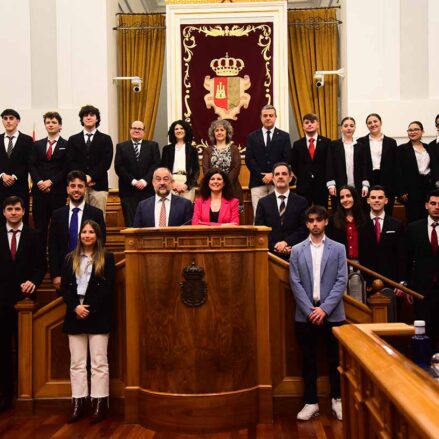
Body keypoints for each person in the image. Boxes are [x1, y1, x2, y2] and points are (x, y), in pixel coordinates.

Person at [289, 205, 347, 421]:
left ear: (325, 222)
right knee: (308, 360)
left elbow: (341, 281)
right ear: (306, 224)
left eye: (318, 220)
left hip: (332, 313)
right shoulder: (296, 249)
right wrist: (310, 310)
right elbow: (294, 281)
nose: (315, 224)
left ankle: (337, 400)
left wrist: (324, 309)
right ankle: (311, 402)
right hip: (305, 313)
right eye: (311, 220)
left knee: (335, 360)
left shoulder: (338, 248)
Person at [60, 220, 115, 424]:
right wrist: (76, 306)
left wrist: (88, 307)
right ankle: (78, 403)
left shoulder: (107, 257)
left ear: (97, 235)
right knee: (77, 363)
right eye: (84, 232)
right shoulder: (69, 259)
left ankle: (100, 403)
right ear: (79, 235)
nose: (87, 235)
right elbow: (65, 287)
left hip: (98, 313)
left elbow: (107, 288)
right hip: (75, 313)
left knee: (99, 362)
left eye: (91, 232)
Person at [0, 196, 46, 412]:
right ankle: (6, 394)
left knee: (25, 348)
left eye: (17, 209)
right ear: (4, 212)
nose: (14, 213)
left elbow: (41, 266)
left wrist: (34, 282)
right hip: (1, 301)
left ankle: (25, 391)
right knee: (3, 350)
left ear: (23, 211)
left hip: (25, 300)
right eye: (10, 209)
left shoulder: (34, 235)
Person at [49, 171, 106, 292]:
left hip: (89, 272)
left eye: (80, 186)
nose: (76, 189)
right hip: (64, 273)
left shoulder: (96, 214)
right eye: (73, 186)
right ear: (67, 189)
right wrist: (55, 274)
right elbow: (53, 246)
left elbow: (101, 242)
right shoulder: (57, 215)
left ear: (85, 189)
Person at [359, 186, 407, 298]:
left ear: (386, 200)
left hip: (391, 282)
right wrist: (365, 280)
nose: (376, 200)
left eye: (380, 197)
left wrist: (402, 281)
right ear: (368, 200)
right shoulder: (360, 224)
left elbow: (402, 255)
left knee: (392, 314)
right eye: (373, 197)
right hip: (367, 283)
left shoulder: (397, 224)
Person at [406, 190, 439, 350]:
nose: (437, 207)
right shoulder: (414, 228)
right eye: (433, 203)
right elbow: (406, 259)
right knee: (425, 333)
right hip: (421, 291)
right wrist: (408, 287)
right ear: (426, 205)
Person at [29, 111, 69, 245]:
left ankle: (57, 265)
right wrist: (40, 182)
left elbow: (66, 168)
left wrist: (51, 182)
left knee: (58, 232)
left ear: (60, 126)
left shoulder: (67, 144)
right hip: (39, 193)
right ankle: (40, 266)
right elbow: (32, 165)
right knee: (39, 231)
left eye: (54, 122)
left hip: (57, 193)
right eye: (48, 122)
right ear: (45, 125)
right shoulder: (37, 145)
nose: (50, 125)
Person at [254, 162, 308, 259]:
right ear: (273, 179)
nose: (280, 177)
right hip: (270, 255)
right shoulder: (263, 203)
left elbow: (303, 229)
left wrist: (286, 243)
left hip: (295, 253)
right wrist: (275, 246)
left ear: (290, 178)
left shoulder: (301, 202)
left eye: (284, 174)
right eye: (277, 174)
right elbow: (260, 230)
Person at [66, 105, 113, 215]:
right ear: (82, 119)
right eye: (85, 115)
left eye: (92, 115)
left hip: (99, 186)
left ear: (97, 119)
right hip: (78, 186)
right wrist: (82, 178)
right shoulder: (73, 139)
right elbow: (70, 161)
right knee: (79, 218)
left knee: (99, 219)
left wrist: (90, 177)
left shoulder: (105, 139)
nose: (88, 117)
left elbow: (106, 162)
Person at [245, 105, 291, 214]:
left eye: (271, 115)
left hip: (278, 182)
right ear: (261, 118)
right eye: (265, 116)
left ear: (275, 117)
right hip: (257, 182)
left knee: (278, 215)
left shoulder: (284, 136)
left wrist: (272, 174)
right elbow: (249, 159)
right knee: (259, 215)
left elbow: (287, 159)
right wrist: (262, 176)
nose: (268, 118)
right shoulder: (252, 136)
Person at [114, 120, 160, 226]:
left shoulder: (153, 146)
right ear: (130, 130)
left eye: (139, 129)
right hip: (128, 191)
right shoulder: (121, 147)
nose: (136, 131)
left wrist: (145, 180)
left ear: (144, 132)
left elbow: (156, 165)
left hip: (147, 190)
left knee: (148, 221)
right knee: (130, 223)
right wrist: (133, 181)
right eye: (134, 128)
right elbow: (119, 167)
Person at [397, 121, 439, 223]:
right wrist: (401, 191)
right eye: (410, 130)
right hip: (411, 189)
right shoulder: (402, 149)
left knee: (428, 218)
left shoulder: (428, 147)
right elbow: (398, 171)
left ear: (422, 131)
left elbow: (434, 167)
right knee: (413, 218)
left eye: (416, 129)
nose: (413, 132)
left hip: (428, 187)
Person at [357, 113, 398, 214]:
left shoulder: (391, 142)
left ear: (380, 123)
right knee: (366, 211)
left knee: (387, 210)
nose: (373, 124)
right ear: (367, 125)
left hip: (386, 180)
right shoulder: (360, 142)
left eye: (375, 121)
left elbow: (395, 165)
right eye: (369, 123)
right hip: (368, 180)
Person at [326, 117, 369, 207]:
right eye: (346, 126)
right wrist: (331, 184)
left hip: (357, 186)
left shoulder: (361, 146)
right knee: (339, 213)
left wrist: (365, 185)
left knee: (358, 212)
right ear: (341, 128)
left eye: (351, 126)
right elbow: (330, 165)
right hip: (338, 186)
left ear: (355, 128)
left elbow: (364, 166)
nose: (349, 128)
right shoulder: (333, 145)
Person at [0, 109, 33, 224]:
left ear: (18, 121)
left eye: (11, 118)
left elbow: (29, 163)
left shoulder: (27, 140)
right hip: (1, 187)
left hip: (20, 187)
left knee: (21, 222)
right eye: (5, 119)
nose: (8, 121)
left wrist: (14, 176)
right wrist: (2, 175)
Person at [291, 113, 332, 208]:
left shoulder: (327, 142)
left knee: (322, 212)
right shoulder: (297, 144)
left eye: (312, 122)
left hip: (321, 186)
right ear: (303, 126)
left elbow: (329, 164)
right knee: (303, 214)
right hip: (303, 186)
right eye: (306, 122)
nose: (309, 124)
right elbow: (294, 165)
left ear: (317, 125)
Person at [202, 119, 242, 205]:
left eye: (222, 130)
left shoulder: (234, 149)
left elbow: (236, 167)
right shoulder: (207, 150)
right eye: (217, 130)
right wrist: (215, 182)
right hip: (212, 189)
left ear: (227, 132)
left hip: (232, 188)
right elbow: (206, 169)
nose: (219, 132)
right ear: (213, 133)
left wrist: (225, 183)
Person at [161, 120, 200, 202]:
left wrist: (187, 185)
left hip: (187, 183)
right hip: (171, 182)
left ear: (186, 130)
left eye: (181, 128)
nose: (179, 130)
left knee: (187, 211)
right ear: (173, 132)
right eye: (176, 129)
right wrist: (171, 183)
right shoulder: (167, 149)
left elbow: (196, 170)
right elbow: (164, 168)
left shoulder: (192, 149)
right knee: (171, 211)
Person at [326, 185, 365, 262]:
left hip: (363, 265)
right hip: (340, 264)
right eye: (342, 197)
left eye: (348, 196)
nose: (345, 199)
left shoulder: (365, 219)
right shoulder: (332, 220)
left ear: (355, 198)